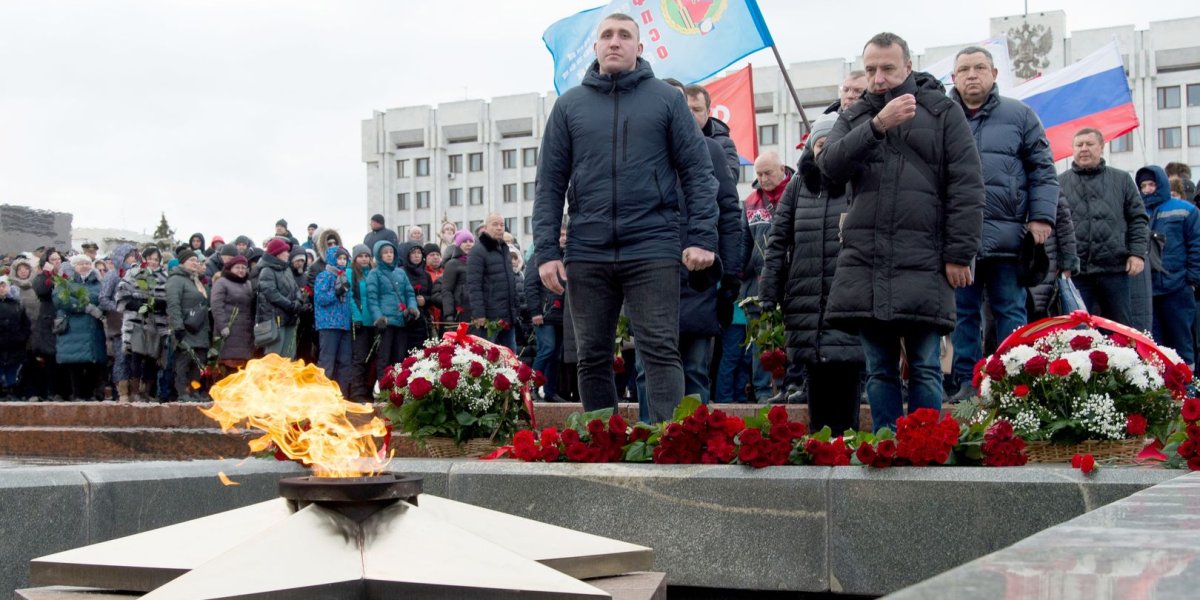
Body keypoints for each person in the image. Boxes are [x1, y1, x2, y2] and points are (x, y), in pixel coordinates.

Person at [533, 13, 719, 422]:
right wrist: (546, 250)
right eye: (606, 36)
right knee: (591, 355)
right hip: (587, 249)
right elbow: (549, 184)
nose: (614, 42)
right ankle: (602, 443)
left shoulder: (667, 100)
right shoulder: (569, 106)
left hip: (652, 245)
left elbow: (698, 173)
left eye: (624, 36)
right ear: (596, 47)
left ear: (639, 46)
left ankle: (671, 443)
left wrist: (703, 238)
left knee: (659, 350)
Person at [817, 32, 984, 433]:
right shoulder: (855, 115)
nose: (878, 78)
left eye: (888, 68)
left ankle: (927, 446)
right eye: (871, 69)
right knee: (878, 368)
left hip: (923, 258)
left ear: (908, 67)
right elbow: (828, 170)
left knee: (926, 365)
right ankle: (886, 445)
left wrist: (959, 252)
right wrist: (876, 125)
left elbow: (967, 184)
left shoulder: (943, 111)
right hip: (866, 261)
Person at [945, 45, 1059, 402]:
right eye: (964, 69)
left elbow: (1043, 169)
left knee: (1010, 309)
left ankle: (1013, 378)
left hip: (1009, 239)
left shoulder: (1021, 115)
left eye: (980, 67)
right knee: (962, 315)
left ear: (994, 74)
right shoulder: (943, 117)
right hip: (959, 241)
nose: (972, 75)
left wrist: (1041, 218)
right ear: (954, 78)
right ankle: (966, 381)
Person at [760, 114, 862, 432]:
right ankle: (819, 456)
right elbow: (778, 241)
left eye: (834, 144)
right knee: (816, 390)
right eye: (820, 144)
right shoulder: (799, 186)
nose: (826, 150)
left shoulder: (859, 182)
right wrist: (769, 292)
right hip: (807, 305)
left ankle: (846, 454)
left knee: (847, 386)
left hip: (848, 302)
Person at [1058, 128, 1149, 328]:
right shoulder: (1060, 183)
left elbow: (1138, 219)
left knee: (1120, 330)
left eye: (1089, 144)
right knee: (1077, 332)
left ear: (1101, 147)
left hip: (1114, 269)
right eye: (1079, 145)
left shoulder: (1122, 179)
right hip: (1076, 272)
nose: (1084, 149)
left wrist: (1137, 253)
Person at [738, 150, 794, 403]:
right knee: (760, 342)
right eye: (758, 174)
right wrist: (738, 273)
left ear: (782, 169)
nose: (762, 178)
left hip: (791, 284)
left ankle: (790, 387)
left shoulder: (796, 193)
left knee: (788, 340)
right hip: (757, 286)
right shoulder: (750, 202)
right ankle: (762, 393)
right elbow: (743, 243)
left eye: (768, 172)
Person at [1137, 165, 1200, 368]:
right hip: (1148, 291)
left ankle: (1188, 391)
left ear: (1161, 184)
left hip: (1178, 288)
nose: (1147, 189)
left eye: (1151, 184)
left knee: (1182, 345)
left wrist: (1191, 279)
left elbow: (1196, 245)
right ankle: (1162, 396)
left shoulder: (1185, 210)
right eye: (1143, 185)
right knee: (1153, 347)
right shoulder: (1136, 211)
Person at [116, 246, 169, 402]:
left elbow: (168, 299)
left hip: (156, 322)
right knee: (136, 354)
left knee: (152, 356)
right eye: (150, 258)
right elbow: (121, 296)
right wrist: (138, 303)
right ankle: (134, 391)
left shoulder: (164, 276)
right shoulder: (133, 272)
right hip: (136, 320)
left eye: (156, 259)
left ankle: (146, 390)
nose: (153, 262)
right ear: (144, 259)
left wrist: (158, 304)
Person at [54, 255, 108, 399]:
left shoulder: (98, 283)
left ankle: (89, 394)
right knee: (74, 365)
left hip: (93, 329)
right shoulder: (66, 282)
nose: (84, 266)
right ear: (73, 266)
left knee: (92, 363)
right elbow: (60, 299)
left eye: (87, 263)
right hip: (73, 329)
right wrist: (85, 307)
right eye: (80, 264)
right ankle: (77, 394)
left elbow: (103, 298)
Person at [525, 223, 567, 401]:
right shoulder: (538, 257)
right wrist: (535, 312)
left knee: (556, 355)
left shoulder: (566, 258)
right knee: (547, 350)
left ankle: (550, 391)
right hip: (545, 313)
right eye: (561, 234)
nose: (564, 238)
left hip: (561, 314)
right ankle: (531, 387)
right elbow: (530, 286)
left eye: (566, 234)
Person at [366, 240, 419, 379]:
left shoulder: (401, 273)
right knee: (384, 357)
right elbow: (372, 298)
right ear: (379, 255)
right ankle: (383, 389)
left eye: (391, 252)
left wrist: (412, 308)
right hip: (386, 322)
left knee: (400, 357)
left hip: (401, 320)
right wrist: (378, 317)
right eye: (385, 253)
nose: (389, 255)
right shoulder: (374, 274)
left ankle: (398, 390)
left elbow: (409, 294)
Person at [469, 214, 519, 350]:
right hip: (490, 317)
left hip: (507, 315)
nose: (499, 228)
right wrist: (479, 314)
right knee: (489, 355)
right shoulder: (478, 251)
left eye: (502, 225)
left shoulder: (505, 249)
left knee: (510, 356)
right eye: (495, 224)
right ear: (486, 227)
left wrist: (515, 310)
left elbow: (511, 282)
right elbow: (474, 285)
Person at [166, 249, 211, 401]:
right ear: (183, 261)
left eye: (196, 260)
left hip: (200, 327)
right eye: (191, 259)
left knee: (199, 361)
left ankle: (194, 390)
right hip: (185, 327)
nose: (195, 262)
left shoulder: (196, 280)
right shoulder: (176, 279)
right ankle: (183, 392)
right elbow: (173, 304)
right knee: (184, 361)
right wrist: (177, 326)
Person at [314, 246, 353, 396]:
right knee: (327, 363)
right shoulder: (324, 276)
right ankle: (322, 396)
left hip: (343, 324)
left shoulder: (344, 277)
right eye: (339, 258)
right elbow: (320, 298)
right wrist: (336, 293)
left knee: (345, 362)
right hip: (328, 324)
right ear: (332, 259)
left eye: (344, 259)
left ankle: (341, 395)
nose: (342, 261)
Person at [256, 238, 303, 358]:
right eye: (285, 251)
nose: (288, 254)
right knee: (275, 358)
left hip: (290, 318)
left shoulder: (287, 269)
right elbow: (271, 294)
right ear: (277, 253)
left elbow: (295, 288)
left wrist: (298, 301)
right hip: (276, 320)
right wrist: (290, 305)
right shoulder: (267, 270)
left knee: (289, 357)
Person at [30, 249, 66, 400]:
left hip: (64, 321)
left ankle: (62, 391)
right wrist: (49, 274)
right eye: (53, 259)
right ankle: (50, 392)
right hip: (48, 322)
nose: (56, 262)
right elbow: (42, 291)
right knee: (49, 358)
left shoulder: (66, 276)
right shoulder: (41, 277)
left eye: (58, 259)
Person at [210, 255, 254, 372]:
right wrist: (223, 326)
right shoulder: (222, 282)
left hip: (245, 332)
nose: (241, 270)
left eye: (243, 268)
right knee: (228, 364)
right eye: (237, 267)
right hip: (229, 331)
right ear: (230, 268)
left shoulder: (248, 284)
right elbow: (216, 306)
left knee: (242, 365)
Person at [346, 244, 375, 402]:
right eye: (361, 256)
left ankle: (367, 391)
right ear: (355, 258)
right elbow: (350, 297)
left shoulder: (372, 273)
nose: (364, 259)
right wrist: (356, 317)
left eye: (366, 256)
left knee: (371, 360)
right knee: (359, 358)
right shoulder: (351, 273)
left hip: (373, 322)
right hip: (360, 323)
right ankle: (356, 393)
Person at [0, 276, 31, 398]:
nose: (1, 289)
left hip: (15, 346)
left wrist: (21, 338)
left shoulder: (18, 305)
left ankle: (13, 392)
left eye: (3, 286)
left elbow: (26, 325)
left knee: (13, 371)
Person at [400, 242, 433, 354]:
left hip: (422, 320)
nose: (417, 255)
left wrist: (425, 300)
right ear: (407, 255)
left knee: (421, 353)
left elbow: (431, 295)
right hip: (406, 320)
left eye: (419, 253)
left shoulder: (426, 275)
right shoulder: (401, 272)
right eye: (413, 253)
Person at [440, 230, 475, 327]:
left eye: (470, 241)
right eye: (464, 241)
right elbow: (447, 290)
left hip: (476, 311)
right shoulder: (452, 264)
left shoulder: (477, 263)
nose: (468, 244)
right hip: (460, 311)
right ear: (458, 244)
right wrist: (449, 314)